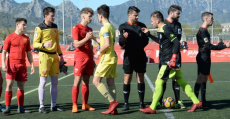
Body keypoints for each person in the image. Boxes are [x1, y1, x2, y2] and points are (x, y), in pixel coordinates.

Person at [140, 11, 202, 114]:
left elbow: (176, 42)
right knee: (182, 82)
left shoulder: (165, 28)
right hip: (171, 60)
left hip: (168, 61)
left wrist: (173, 58)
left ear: (157, 20)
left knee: (159, 82)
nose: (151, 23)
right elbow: (162, 42)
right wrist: (149, 35)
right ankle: (196, 102)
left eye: (152, 21)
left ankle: (153, 107)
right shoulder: (161, 29)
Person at [194, 12, 230, 108]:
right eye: (212, 18)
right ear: (206, 19)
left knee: (204, 79)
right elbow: (209, 46)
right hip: (203, 58)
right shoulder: (202, 31)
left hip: (206, 57)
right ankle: (195, 102)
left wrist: (221, 45)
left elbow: (208, 46)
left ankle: (203, 101)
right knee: (200, 79)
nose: (213, 20)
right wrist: (224, 46)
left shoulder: (205, 31)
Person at [33, 7, 65, 114]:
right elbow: (34, 44)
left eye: (54, 15)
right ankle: (41, 106)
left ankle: (53, 105)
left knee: (55, 82)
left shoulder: (55, 26)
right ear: (46, 16)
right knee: (43, 81)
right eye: (52, 15)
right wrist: (43, 44)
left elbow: (57, 42)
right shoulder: (39, 28)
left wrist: (61, 56)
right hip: (44, 56)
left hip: (54, 57)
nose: (54, 17)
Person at [118, 6, 149, 111]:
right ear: (129, 15)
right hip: (128, 56)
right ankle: (126, 103)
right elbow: (120, 42)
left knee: (140, 77)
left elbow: (146, 40)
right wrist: (124, 38)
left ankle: (142, 103)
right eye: (135, 15)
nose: (137, 17)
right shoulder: (123, 27)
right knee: (127, 77)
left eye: (137, 15)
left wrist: (140, 45)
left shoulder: (142, 26)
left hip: (140, 55)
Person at [1, 18, 35, 115]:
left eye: (25, 25)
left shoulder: (26, 38)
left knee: (21, 86)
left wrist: (32, 65)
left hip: (22, 65)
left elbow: (29, 53)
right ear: (17, 24)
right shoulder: (10, 37)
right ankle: (8, 108)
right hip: (11, 65)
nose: (25, 27)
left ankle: (21, 108)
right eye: (23, 25)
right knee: (9, 85)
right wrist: (3, 63)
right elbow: (4, 52)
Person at [155, 5, 186, 109]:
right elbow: (161, 41)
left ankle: (178, 101)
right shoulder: (163, 24)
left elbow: (177, 41)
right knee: (163, 80)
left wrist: (181, 45)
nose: (179, 15)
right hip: (164, 57)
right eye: (178, 13)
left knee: (176, 79)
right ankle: (159, 102)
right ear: (171, 13)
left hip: (176, 56)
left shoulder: (178, 25)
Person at [92, 4, 119, 115]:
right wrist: (94, 38)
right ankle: (114, 109)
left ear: (100, 15)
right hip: (113, 57)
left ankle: (112, 102)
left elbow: (106, 44)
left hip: (107, 58)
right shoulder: (111, 26)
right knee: (110, 82)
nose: (97, 18)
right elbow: (105, 41)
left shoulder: (104, 28)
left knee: (96, 81)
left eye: (97, 16)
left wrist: (98, 53)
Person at [71, 7, 95, 113]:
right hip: (80, 58)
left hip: (89, 58)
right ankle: (74, 105)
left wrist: (93, 58)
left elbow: (90, 45)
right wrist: (86, 38)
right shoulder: (76, 28)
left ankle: (85, 104)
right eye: (90, 16)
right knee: (77, 81)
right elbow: (76, 44)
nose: (91, 18)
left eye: (91, 16)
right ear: (83, 16)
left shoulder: (90, 29)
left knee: (86, 81)